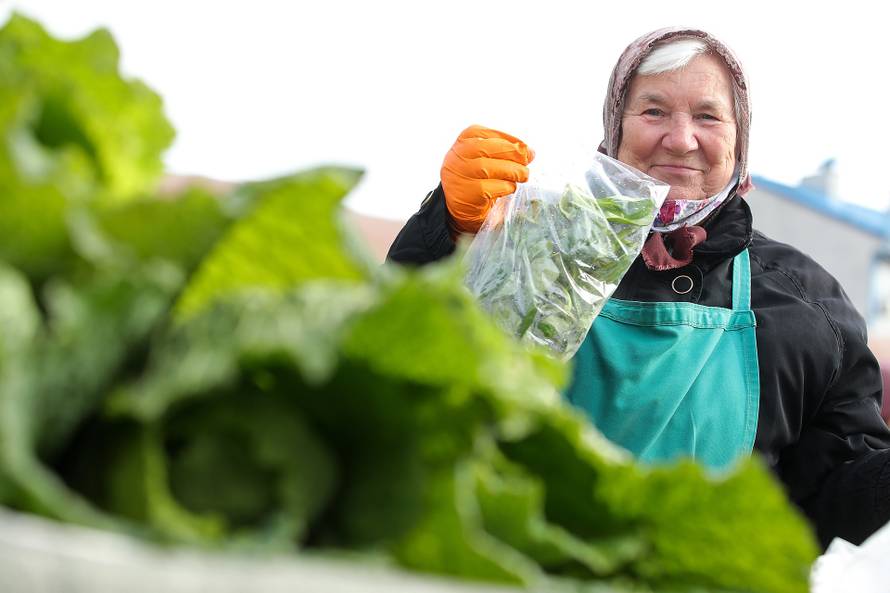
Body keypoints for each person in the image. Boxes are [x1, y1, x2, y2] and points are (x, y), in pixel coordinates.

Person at [386, 27, 890, 548]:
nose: (681, 139)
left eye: (708, 116)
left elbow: (829, 503)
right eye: (654, 111)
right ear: (615, 128)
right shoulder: (530, 245)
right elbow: (399, 365)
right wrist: (446, 232)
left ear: (740, 141)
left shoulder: (807, 305)